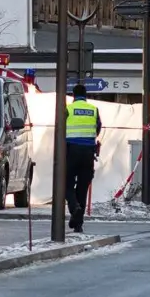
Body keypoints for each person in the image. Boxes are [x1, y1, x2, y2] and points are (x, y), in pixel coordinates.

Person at [63, 84, 100, 233]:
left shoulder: (68, 109)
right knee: (83, 188)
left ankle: (74, 207)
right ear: (85, 95)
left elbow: (61, 128)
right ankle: (78, 224)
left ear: (73, 95)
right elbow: (98, 128)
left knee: (66, 184)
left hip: (71, 150)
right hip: (88, 152)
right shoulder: (93, 110)